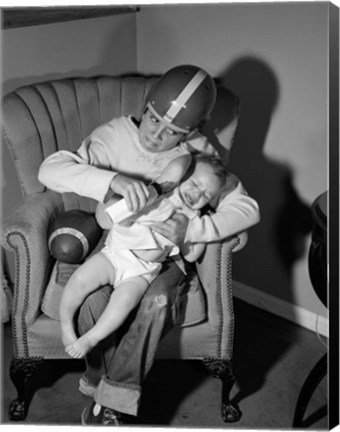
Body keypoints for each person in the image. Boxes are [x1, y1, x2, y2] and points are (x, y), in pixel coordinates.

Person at [38, 64, 260, 425]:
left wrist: (192, 231)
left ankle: (112, 404)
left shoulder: (200, 151)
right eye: (154, 120)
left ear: (193, 131)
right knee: (93, 300)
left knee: (157, 302)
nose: (157, 136)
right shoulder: (111, 137)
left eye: (174, 132)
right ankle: (97, 381)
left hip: (166, 255)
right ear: (146, 107)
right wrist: (112, 180)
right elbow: (49, 170)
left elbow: (246, 208)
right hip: (120, 241)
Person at [60, 153, 227, 360]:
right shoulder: (156, 193)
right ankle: (66, 326)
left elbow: (192, 256)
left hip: (142, 272)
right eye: (194, 183)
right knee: (80, 279)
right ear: (181, 178)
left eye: (206, 194)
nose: (196, 193)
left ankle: (91, 338)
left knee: (124, 302)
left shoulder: (194, 219)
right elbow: (176, 167)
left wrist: (191, 233)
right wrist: (167, 181)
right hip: (116, 254)